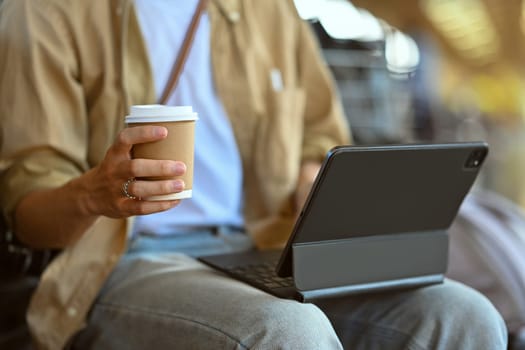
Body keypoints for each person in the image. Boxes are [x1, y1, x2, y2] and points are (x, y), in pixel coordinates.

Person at [0, 0, 508, 349]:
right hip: (125, 262)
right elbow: (27, 215)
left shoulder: (269, 10)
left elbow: (317, 137)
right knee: (287, 332)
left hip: (263, 248)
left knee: (464, 315)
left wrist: (315, 180)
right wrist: (95, 194)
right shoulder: (49, 11)